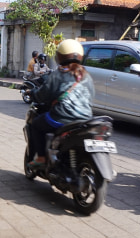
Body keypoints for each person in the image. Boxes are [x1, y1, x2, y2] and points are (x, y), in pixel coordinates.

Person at [26, 40, 94, 168]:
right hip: (85, 119)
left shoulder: (58, 74)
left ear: (60, 56)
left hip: (61, 117)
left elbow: (43, 95)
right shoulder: (86, 75)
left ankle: (41, 158)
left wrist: (33, 94)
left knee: (35, 125)